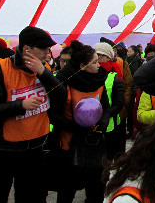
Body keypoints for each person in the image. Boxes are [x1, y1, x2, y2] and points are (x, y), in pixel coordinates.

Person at [0, 26, 64, 203]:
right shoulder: (0, 69)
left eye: (48, 49)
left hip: (35, 149)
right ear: (27, 49)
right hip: (3, 150)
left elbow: (61, 95)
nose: (47, 53)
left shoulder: (43, 69)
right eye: (43, 49)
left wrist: (44, 73)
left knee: (32, 197)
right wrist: (21, 105)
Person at [49, 40, 119, 202]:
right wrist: (76, 127)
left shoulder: (99, 80)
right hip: (69, 146)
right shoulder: (64, 83)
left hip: (95, 145)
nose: (98, 65)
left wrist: (102, 124)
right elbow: (53, 115)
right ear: (82, 65)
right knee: (67, 191)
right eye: (94, 62)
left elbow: (105, 107)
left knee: (96, 190)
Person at [94, 42, 126, 161]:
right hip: (92, 123)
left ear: (108, 57)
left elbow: (119, 103)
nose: (97, 58)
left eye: (100, 55)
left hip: (110, 123)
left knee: (107, 157)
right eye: (95, 54)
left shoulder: (115, 76)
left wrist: (104, 115)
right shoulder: (90, 73)